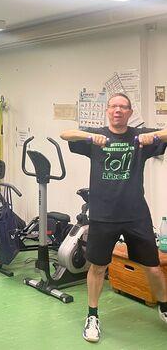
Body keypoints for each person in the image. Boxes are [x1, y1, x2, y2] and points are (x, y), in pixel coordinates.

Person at [61, 93, 167, 343]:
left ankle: (164, 306)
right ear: (107, 111)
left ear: (130, 112)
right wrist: (90, 137)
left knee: (153, 267)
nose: (118, 110)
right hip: (103, 215)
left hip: (136, 214)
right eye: (114, 106)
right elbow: (65, 134)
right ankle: (92, 316)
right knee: (98, 267)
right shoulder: (96, 136)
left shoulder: (138, 137)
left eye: (123, 107)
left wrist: (153, 137)